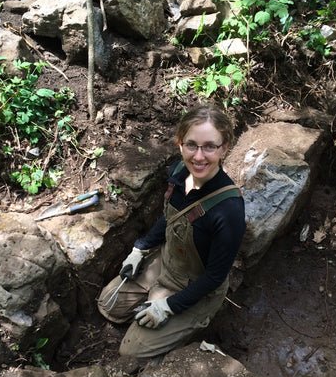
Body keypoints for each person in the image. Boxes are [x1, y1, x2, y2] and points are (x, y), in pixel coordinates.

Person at [97, 104, 246, 361]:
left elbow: (215, 277)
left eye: (209, 146)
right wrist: (140, 248)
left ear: (224, 148)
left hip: (197, 286)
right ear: (180, 144)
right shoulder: (180, 172)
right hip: (168, 262)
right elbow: (170, 219)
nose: (199, 157)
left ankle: (190, 327)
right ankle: (153, 296)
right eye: (191, 145)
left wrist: (168, 306)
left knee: (130, 354)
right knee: (108, 305)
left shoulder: (228, 210)